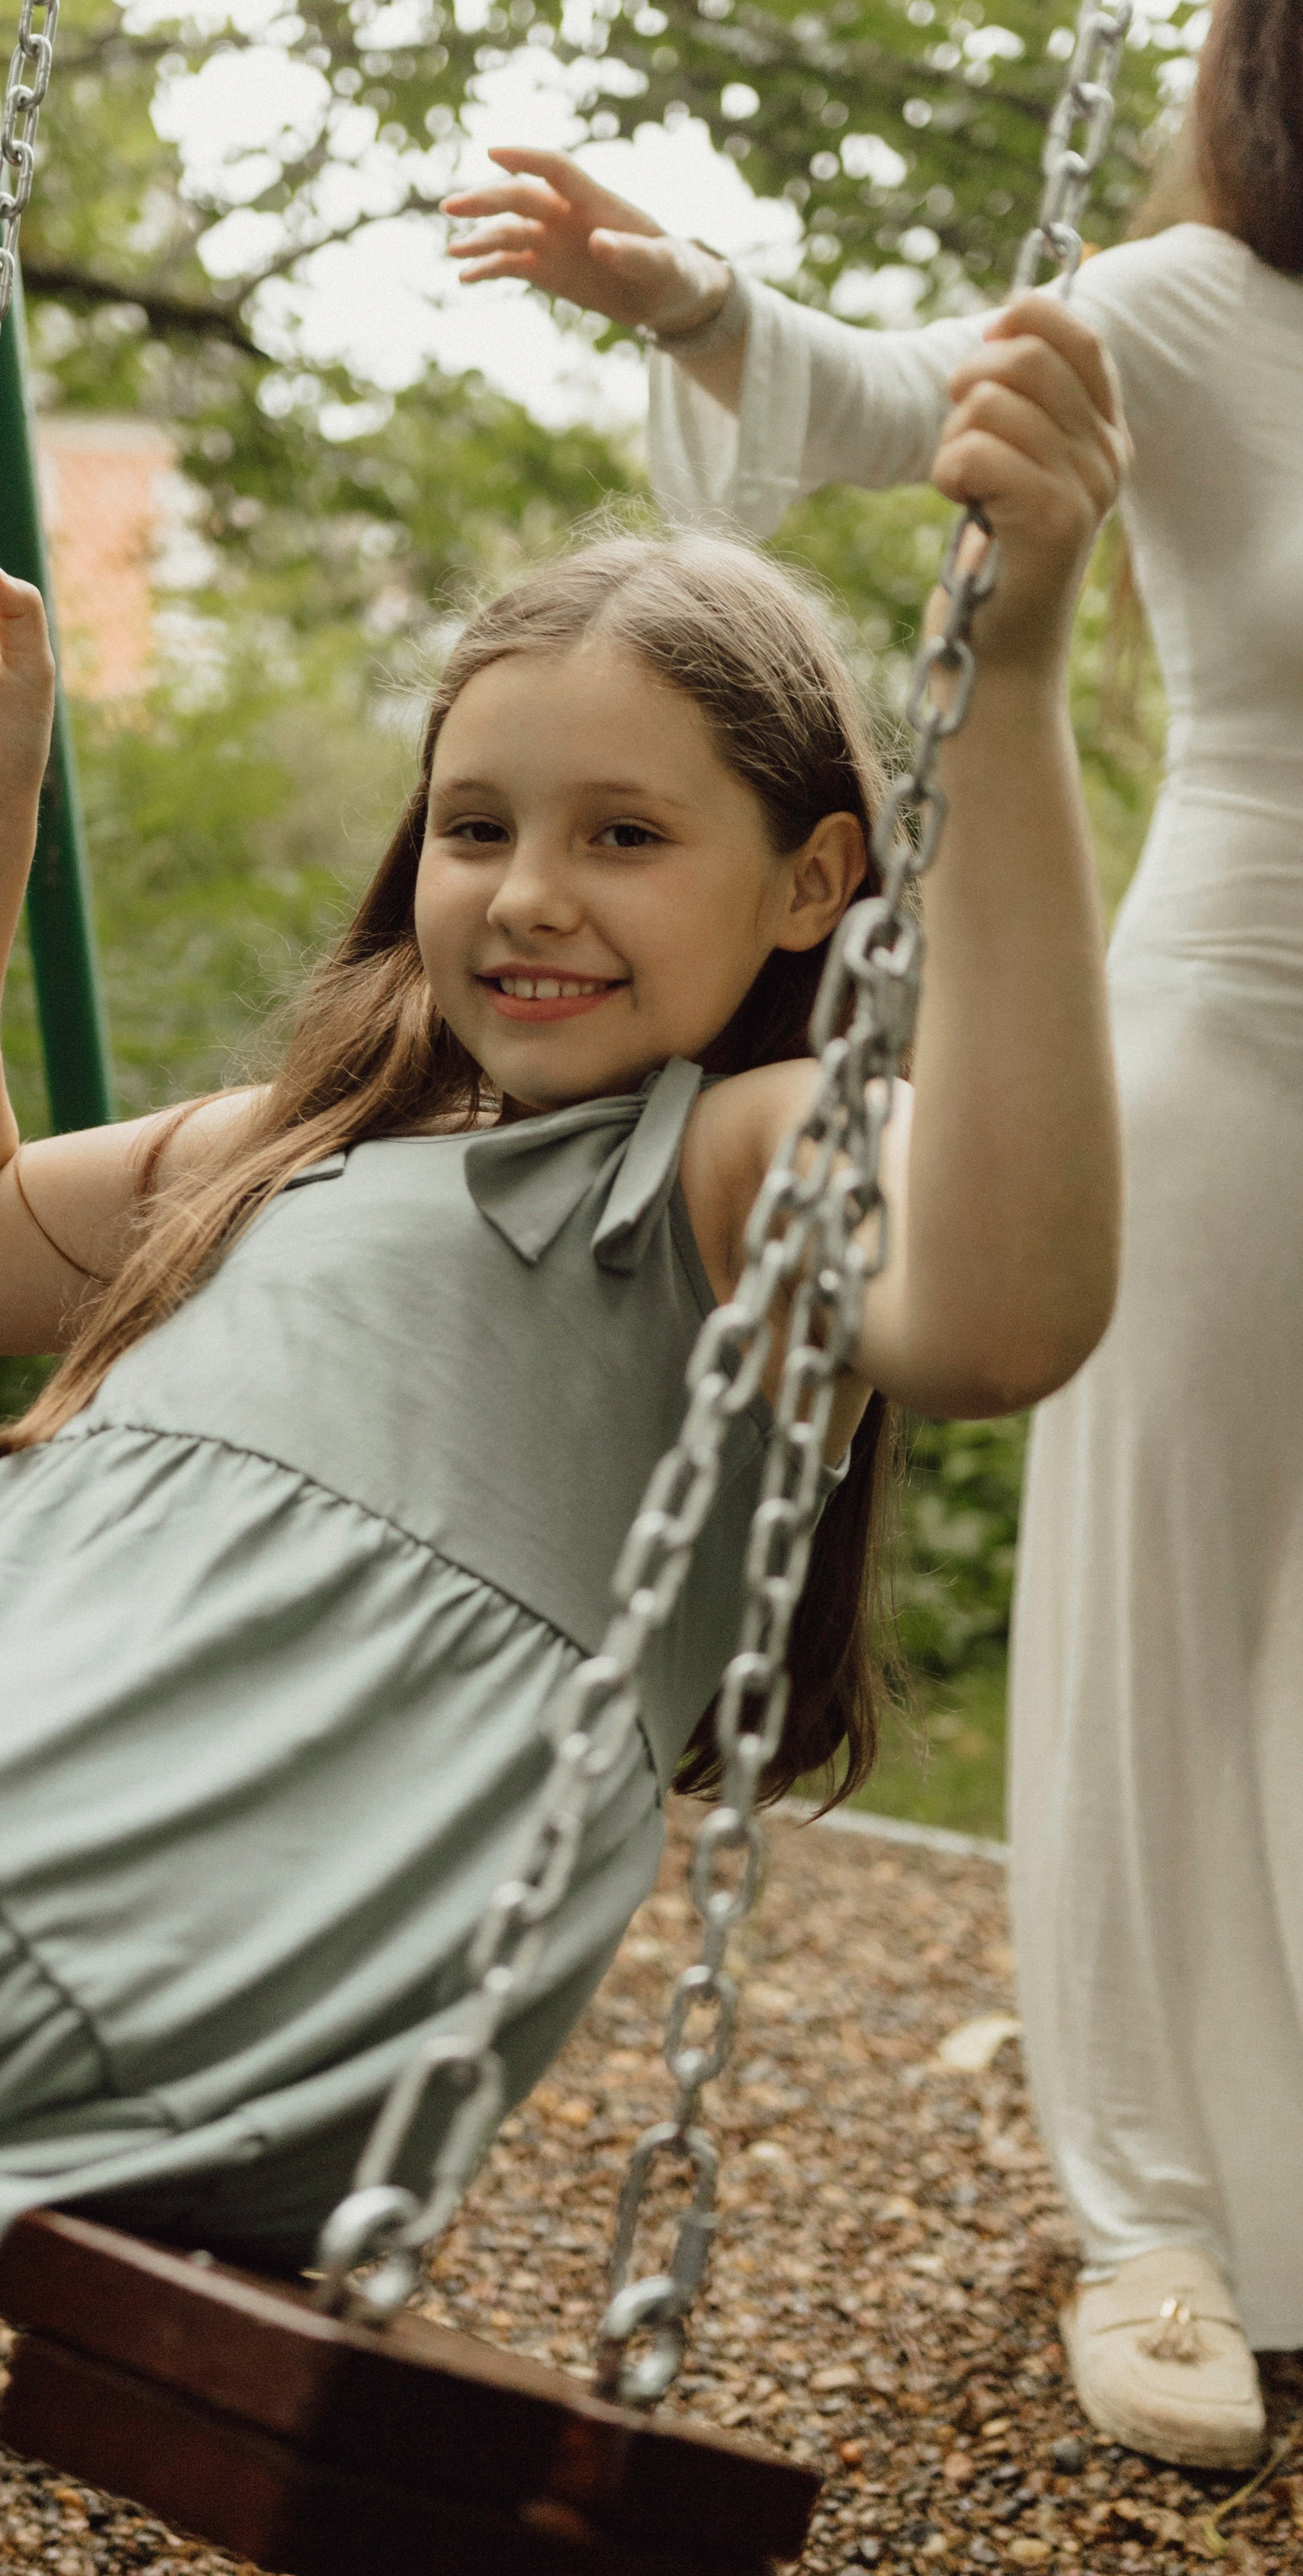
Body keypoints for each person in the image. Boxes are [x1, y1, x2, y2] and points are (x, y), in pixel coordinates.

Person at [0, 296, 1121, 2575]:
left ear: (811, 886)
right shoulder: (319, 1134)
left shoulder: (723, 1166)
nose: (524, 893)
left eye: (626, 835)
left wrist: (1003, 702)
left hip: (222, 1851)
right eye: (476, 824)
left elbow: (999, 1311)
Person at [442, 0, 1303, 2472]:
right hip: (1233, 1042)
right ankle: (1155, 2221)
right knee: (1160, 1595)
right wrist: (682, 293)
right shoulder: (1184, 310)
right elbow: (877, 394)